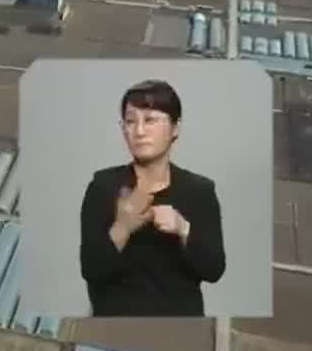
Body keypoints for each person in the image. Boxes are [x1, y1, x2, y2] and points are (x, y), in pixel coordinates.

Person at [78, 78, 226, 316]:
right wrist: (122, 226)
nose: (139, 131)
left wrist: (183, 228)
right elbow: (90, 269)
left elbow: (214, 270)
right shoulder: (103, 186)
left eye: (150, 120)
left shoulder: (200, 191)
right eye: (130, 121)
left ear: (175, 128)